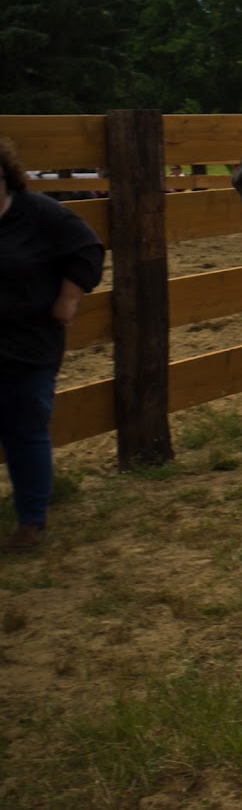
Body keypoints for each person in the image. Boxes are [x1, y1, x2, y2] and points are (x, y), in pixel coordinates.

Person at [0, 136, 104, 552]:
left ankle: (31, 523)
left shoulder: (40, 214)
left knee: (24, 429)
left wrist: (68, 297)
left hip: (28, 346)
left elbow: (88, 250)